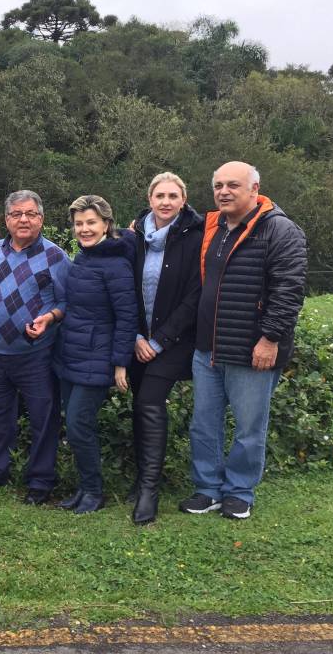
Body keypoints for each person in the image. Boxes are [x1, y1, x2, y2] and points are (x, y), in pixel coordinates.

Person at [180, 161, 307, 520]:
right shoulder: (214, 227)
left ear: (255, 189)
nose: (224, 192)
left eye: (233, 185)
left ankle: (239, 491)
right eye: (218, 185)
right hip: (207, 348)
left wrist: (270, 339)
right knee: (204, 424)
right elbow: (168, 221)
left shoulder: (280, 230)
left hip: (252, 350)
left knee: (249, 428)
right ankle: (207, 489)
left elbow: (289, 291)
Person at [0, 190, 69, 505]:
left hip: (36, 354)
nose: (23, 219)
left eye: (30, 214)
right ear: (6, 220)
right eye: (16, 214)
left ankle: (40, 481)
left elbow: (68, 302)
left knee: (42, 417)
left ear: (41, 219)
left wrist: (51, 317)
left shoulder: (56, 257)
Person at [54, 195, 138, 515]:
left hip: (97, 357)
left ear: (106, 224)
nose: (84, 229)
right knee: (75, 425)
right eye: (79, 224)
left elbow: (126, 317)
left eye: (91, 222)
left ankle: (93, 491)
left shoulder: (116, 264)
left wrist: (120, 363)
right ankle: (84, 487)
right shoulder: (83, 257)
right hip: (71, 354)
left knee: (78, 424)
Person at [127, 173, 203, 525]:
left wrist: (158, 341)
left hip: (173, 341)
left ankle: (149, 490)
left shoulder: (196, 237)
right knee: (138, 405)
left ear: (183, 200)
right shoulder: (135, 237)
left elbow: (194, 296)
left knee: (149, 402)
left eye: (173, 196)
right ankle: (140, 476)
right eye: (160, 195)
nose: (166, 202)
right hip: (137, 340)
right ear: (150, 199)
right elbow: (124, 289)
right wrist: (136, 337)